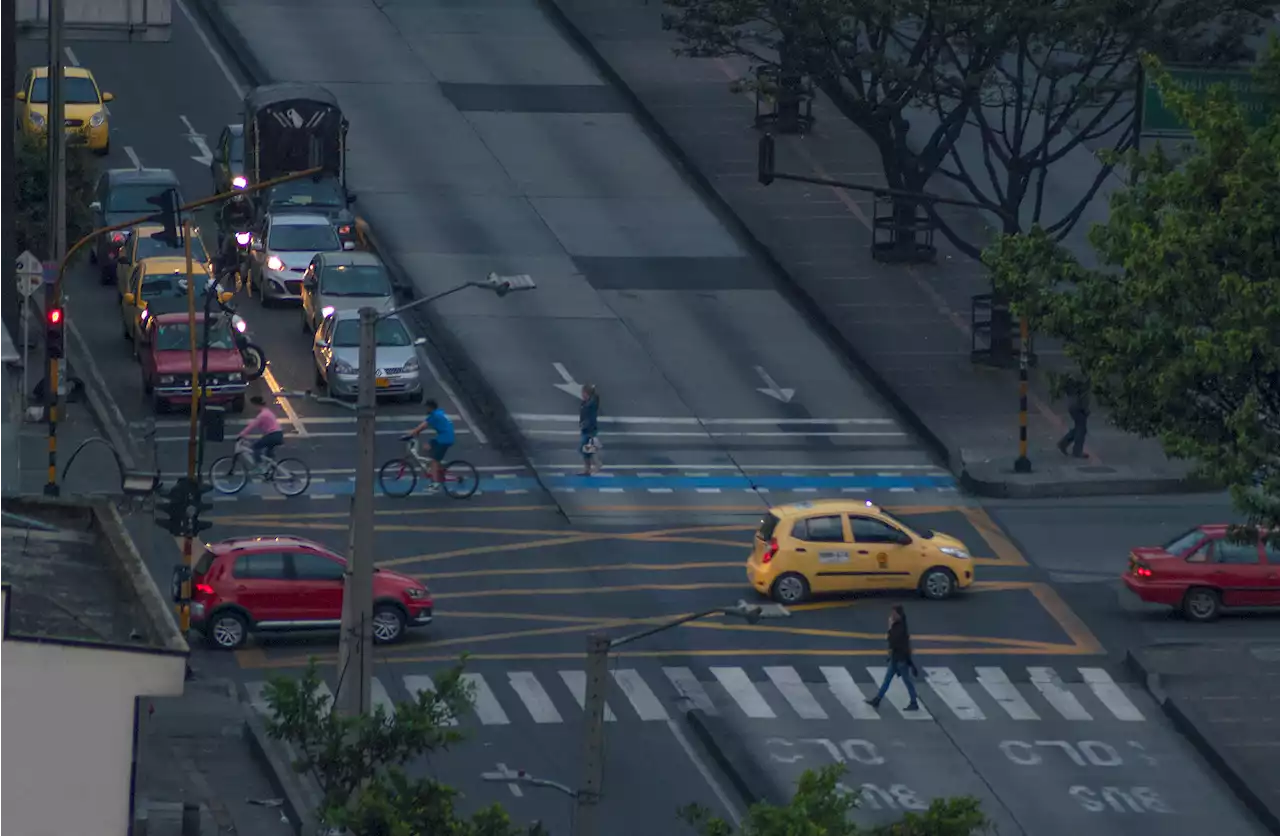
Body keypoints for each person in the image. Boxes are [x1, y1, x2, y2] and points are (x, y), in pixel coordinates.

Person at [866, 605, 920, 711]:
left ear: (898, 615)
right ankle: (877, 699)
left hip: (901, 660)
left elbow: (892, 640)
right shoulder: (900, 625)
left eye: (894, 614)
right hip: (896, 658)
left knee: (907, 681)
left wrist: (890, 627)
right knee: (888, 680)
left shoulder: (899, 627)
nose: (892, 616)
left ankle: (914, 702)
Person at [406, 399, 455, 492]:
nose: (426, 409)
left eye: (427, 407)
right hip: (444, 437)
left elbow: (423, 426)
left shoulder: (434, 416)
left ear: (430, 407)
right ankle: (438, 469)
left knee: (434, 461)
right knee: (428, 448)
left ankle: (435, 483)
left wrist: (411, 433)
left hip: (444, 439)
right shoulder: (439, 413)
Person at [239, 394, 283, 473]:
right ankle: (271, 470)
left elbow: (252, 425)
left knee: (256, 447)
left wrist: (242, 434)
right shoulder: (267, 412)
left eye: (253, 405)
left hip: (273, 435)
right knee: (268, 453)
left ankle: (258, 466)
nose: (252, 408)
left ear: (256, 405)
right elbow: (265, 427)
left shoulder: (263, 415)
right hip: (277, 434)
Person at [1057, 379, 1090, 458]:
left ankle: (1064, 443)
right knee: (1081, 429)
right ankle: (1077, 451)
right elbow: (1083, 392)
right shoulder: (1083, 377)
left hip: (1073, 404)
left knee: (1079, 428)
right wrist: (1085, 409)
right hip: (1078, 405)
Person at [579, 383, 601, 476]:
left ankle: (595, 464)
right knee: (586, 449)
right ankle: (588, 468)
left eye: (583, 393)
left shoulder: (591, 404)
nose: (582, 395)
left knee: (585, 449)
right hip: (586, 429)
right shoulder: (586, 403)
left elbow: (590, 417)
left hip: (589, 429)